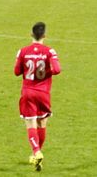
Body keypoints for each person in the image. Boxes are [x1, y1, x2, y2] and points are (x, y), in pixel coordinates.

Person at [14, 21, 61, 172]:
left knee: (30, 124)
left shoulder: (22, 51)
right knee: (42, 123)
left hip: (28, 91)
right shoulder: (50, 51)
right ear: (44, 35)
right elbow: (57, 69)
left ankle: (36, 152)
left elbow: (16, 72)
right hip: (43, 93)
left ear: (31, 34)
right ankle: (36, 154)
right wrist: (47, 72)